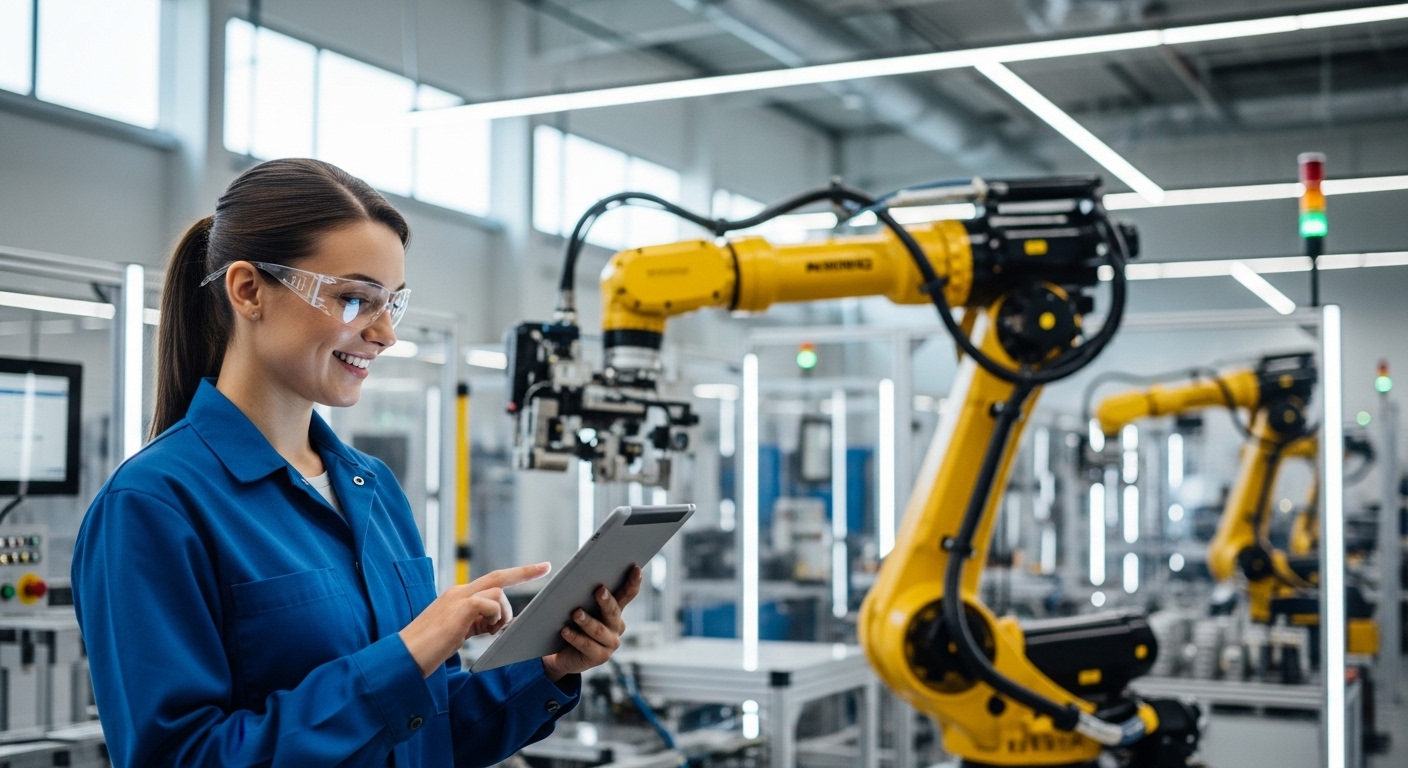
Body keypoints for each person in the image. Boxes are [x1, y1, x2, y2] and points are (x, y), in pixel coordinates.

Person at [71, 158, 642, 767]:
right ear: (248, 290)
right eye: (353, 299)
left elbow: (426, 729)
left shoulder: (372, 488)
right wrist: (412, 649)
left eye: (391, 303)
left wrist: (547, 670)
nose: (385, 334)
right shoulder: (154, 506)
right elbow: (182, 758)